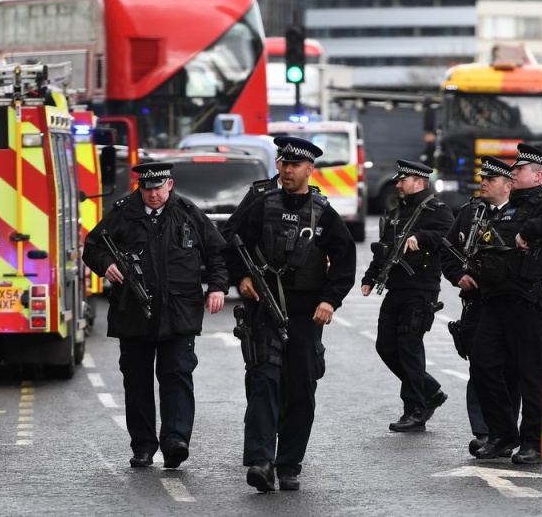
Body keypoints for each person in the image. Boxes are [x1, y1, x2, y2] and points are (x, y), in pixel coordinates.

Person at [221, 136, 356, 492]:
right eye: (283, 163)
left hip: (305, 314)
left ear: (310, 170)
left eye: (294, 165)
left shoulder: (323, 212)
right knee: (264, 381)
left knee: (300, 389)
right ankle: (261, 461)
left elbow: (344, 260)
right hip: (264, 310)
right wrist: (242, 276)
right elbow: (229, 242)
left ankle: (289, 464)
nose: (286, 170)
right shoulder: (261, 205)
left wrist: (330, 300)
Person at [82, 161, 228, 470]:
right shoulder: (124, 213)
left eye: (158, 188)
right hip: (134, 313)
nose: (152, 195)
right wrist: (106, 263)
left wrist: (217, 287)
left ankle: (175, 441)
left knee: (176, 376)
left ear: (169, 185)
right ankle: (144, 447)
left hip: (179, 312)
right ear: (140, 187)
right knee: (137, 382)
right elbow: (93, 246)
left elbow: (217, 252)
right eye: (147, 189)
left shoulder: (187, 212)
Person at [469, 143, 542, 464]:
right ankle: (503, 433)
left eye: (518, 170)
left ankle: (533, 440)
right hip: (498, 300)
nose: (513, 173)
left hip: (533, 301)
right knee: (483, 364)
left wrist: (529, 230)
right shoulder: (507, 208)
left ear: (537, 175)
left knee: (531, 373)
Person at [361, 160, 453, 433]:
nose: (398, 185)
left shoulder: (438, 210)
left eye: (403, 180)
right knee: (385, 346)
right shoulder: (397, 211)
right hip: (397, 287)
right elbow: (385, 249)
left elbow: (449, 235)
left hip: (421, 288)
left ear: (420, 182)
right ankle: (430, 390)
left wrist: (421, 236)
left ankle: (414, 409)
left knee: (409, 347)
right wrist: (370, 276)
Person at [439, 157, 520, 456]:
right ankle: (485, 432)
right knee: (481, 365)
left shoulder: (520, 214)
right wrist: (458, 276)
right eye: (482, 178)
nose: (482, 182)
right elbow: (446, 252)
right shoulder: (470, 212)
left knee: (510, 368)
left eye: (490, 179)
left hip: (509, 303)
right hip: (476, 303)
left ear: (508, 186)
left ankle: (506, 430)